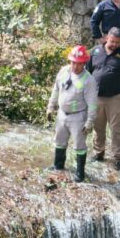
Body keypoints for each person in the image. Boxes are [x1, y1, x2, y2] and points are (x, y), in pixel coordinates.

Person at [46, 45, 98, 182]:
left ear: (84, 63)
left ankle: (80, 173)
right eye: (73, 62)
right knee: (59, 141)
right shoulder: (64, 72)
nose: (75, 66)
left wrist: (89, 122)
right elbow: (56, 90)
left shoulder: (89, 80)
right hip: (62, 114)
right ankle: (58, 166)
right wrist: (50, 107)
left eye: (79, 64)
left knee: (79, 145)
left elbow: (92, 104)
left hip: (78, 117)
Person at [86, 27, 120, 170]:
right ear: (107, 37)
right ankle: (98, 152)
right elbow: (87, 74)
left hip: (115, 98)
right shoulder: (94, 52)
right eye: (112, 41)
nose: (114, 44)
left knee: (117, 129)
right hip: (96, 97)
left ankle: (118, 157)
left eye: (117, 42)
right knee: (98, 126)